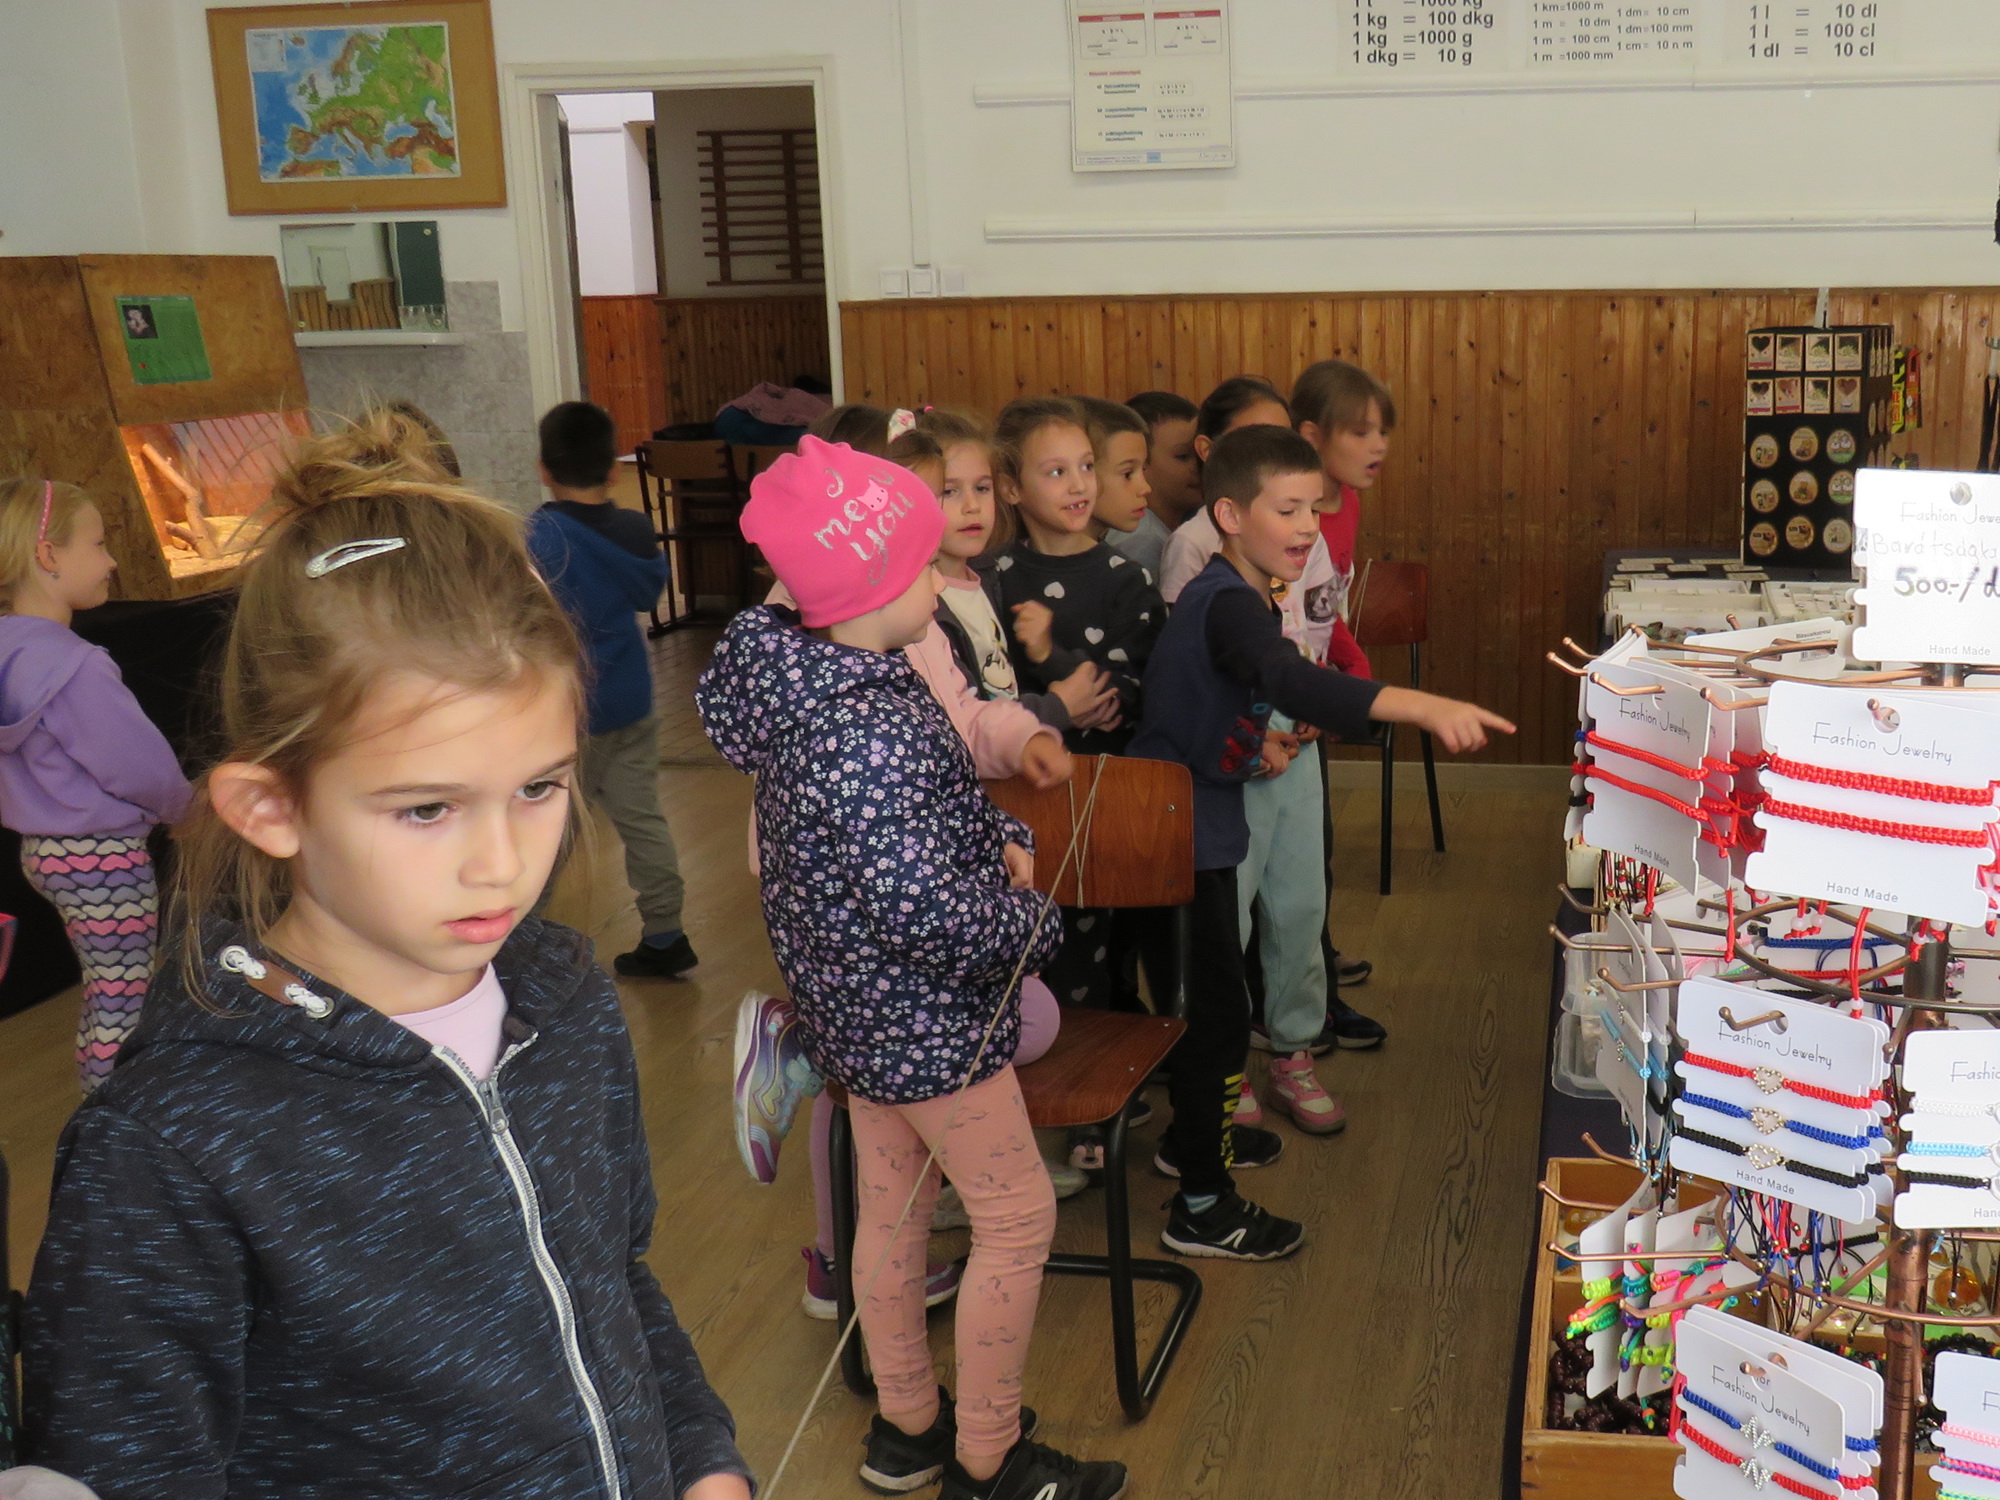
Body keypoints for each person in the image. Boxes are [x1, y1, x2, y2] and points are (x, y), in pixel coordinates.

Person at [22, 415, 751, 1498]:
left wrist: (700, 1459)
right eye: (425, 809)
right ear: (272, 807)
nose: (502, 864)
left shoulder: (564, 1001)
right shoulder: (167, 1145)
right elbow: (128, 1468)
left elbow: (611, 1282)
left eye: (539, 787)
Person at [698, 435, 1126, 1500]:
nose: (941, 587)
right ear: (876, 587)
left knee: (889, 1219)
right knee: (1016, 1217)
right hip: (927, 1023)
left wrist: (991, 837)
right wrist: (1031, 922)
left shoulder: (828, 682)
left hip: (857, 1013)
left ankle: (906, 1429)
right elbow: (924, 909)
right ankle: (988, 1457)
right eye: (926, 568)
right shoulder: (863, 729)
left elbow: (913, 832)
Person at [1129, 424, 1513, 1259]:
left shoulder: (1243, 589)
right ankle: (1201, 1204)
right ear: (1230, 515)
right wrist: (1418, 705)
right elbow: (1285, 677)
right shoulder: (1228, 600)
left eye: (1314, 508)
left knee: (1220, 1014)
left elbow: (1212, 704)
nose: (1308, 525)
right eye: (1287, 508)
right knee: (1215, 1021)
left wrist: (1249, 744)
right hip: (1173, 837)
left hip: (1199, 820)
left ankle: (1192, 1146)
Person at [0, 478, 189, 1092]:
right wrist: (185, 809)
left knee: (108, 987)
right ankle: (112, 1118)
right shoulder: (75, 665)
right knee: (122, 999)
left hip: (44, 854)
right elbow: (136, 765)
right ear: (48, 555)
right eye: (99, 544)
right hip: (102, 857)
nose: (111, 561)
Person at [526, 401, 695, 980]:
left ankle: (518, 940)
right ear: (613, 470)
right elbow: (647, 593)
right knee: (643, 820)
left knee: (546, 830)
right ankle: (666, 932)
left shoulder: (540, 538)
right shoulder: (635, 531)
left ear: (544, 468)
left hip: (567, 714)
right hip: (631, 699)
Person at [918, 408, 1116, 735]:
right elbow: (962, 719)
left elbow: (1003, 690)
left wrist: (1054, 664)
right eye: (950, 491)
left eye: (982, 488)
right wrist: (1056, 708)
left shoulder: (991, 578)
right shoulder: (923, 605)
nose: (972, 506)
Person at [988, 397, 1162, 760]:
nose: (1080, 485)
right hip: (1011, 773)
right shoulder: (991, 573)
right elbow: (982, 695)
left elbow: (1130, 700)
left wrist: (1049, 656)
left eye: (1087, 466)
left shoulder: (1128, 581)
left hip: (1103, 778)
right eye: (1057, 472)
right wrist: (1060, 708)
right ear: (1011, 488)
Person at [1106, 390, 1200, 578]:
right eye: (1183, 456)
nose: (1199, 465)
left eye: (1201, 453)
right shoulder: (1142, 540)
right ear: (1141, 464)